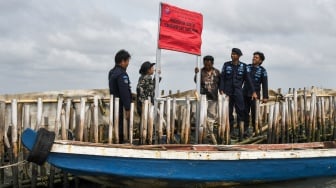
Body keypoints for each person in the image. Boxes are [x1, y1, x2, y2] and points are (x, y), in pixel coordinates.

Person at [219, 48, 257, 141]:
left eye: (235, 54)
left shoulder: (244, 66)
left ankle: (242, 131)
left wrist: (253, 92)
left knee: (241, 111)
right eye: (232, 54)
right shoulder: (226, 65)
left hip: (238, 92)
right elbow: (222, 78)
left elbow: (248, 80)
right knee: (228, 112)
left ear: (239, 56)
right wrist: (221, 89)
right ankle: (230, 131)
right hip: (228, 93)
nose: (232, 55)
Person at [108, 49, 132, 144]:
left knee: (115, 124)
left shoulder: (111, 72)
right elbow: (124, 92)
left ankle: (116, 141)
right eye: (127, 61)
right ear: (122, 61)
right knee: (120, 125)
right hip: (120, 104)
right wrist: (127, 108)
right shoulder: (122, 74)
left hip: (113, 103)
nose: (128, 64)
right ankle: (120, 143)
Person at [243, 51, 268, 135]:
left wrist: (265, 96)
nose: (254, 58)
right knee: (245, 112)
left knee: (255, 113)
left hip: (256, 95)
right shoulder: (247, 67)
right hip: (245, 93)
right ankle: (245, 130)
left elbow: (265, 84)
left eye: (256, 57)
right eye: (253, 56)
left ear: (260, 61)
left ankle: (255, 130)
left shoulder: (262, 70)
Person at [194, 55, 221, 124]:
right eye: (206, 64)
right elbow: (196, 81)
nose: (207, 66)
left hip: (213, 97)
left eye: (209, 64)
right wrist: (196, 74)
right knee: (201, 115)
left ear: (212, 63)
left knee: (211, 115)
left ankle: (209, 133)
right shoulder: (200, 72)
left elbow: (221, 83)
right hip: (203, 97)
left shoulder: (217, 72)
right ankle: (202, 131)